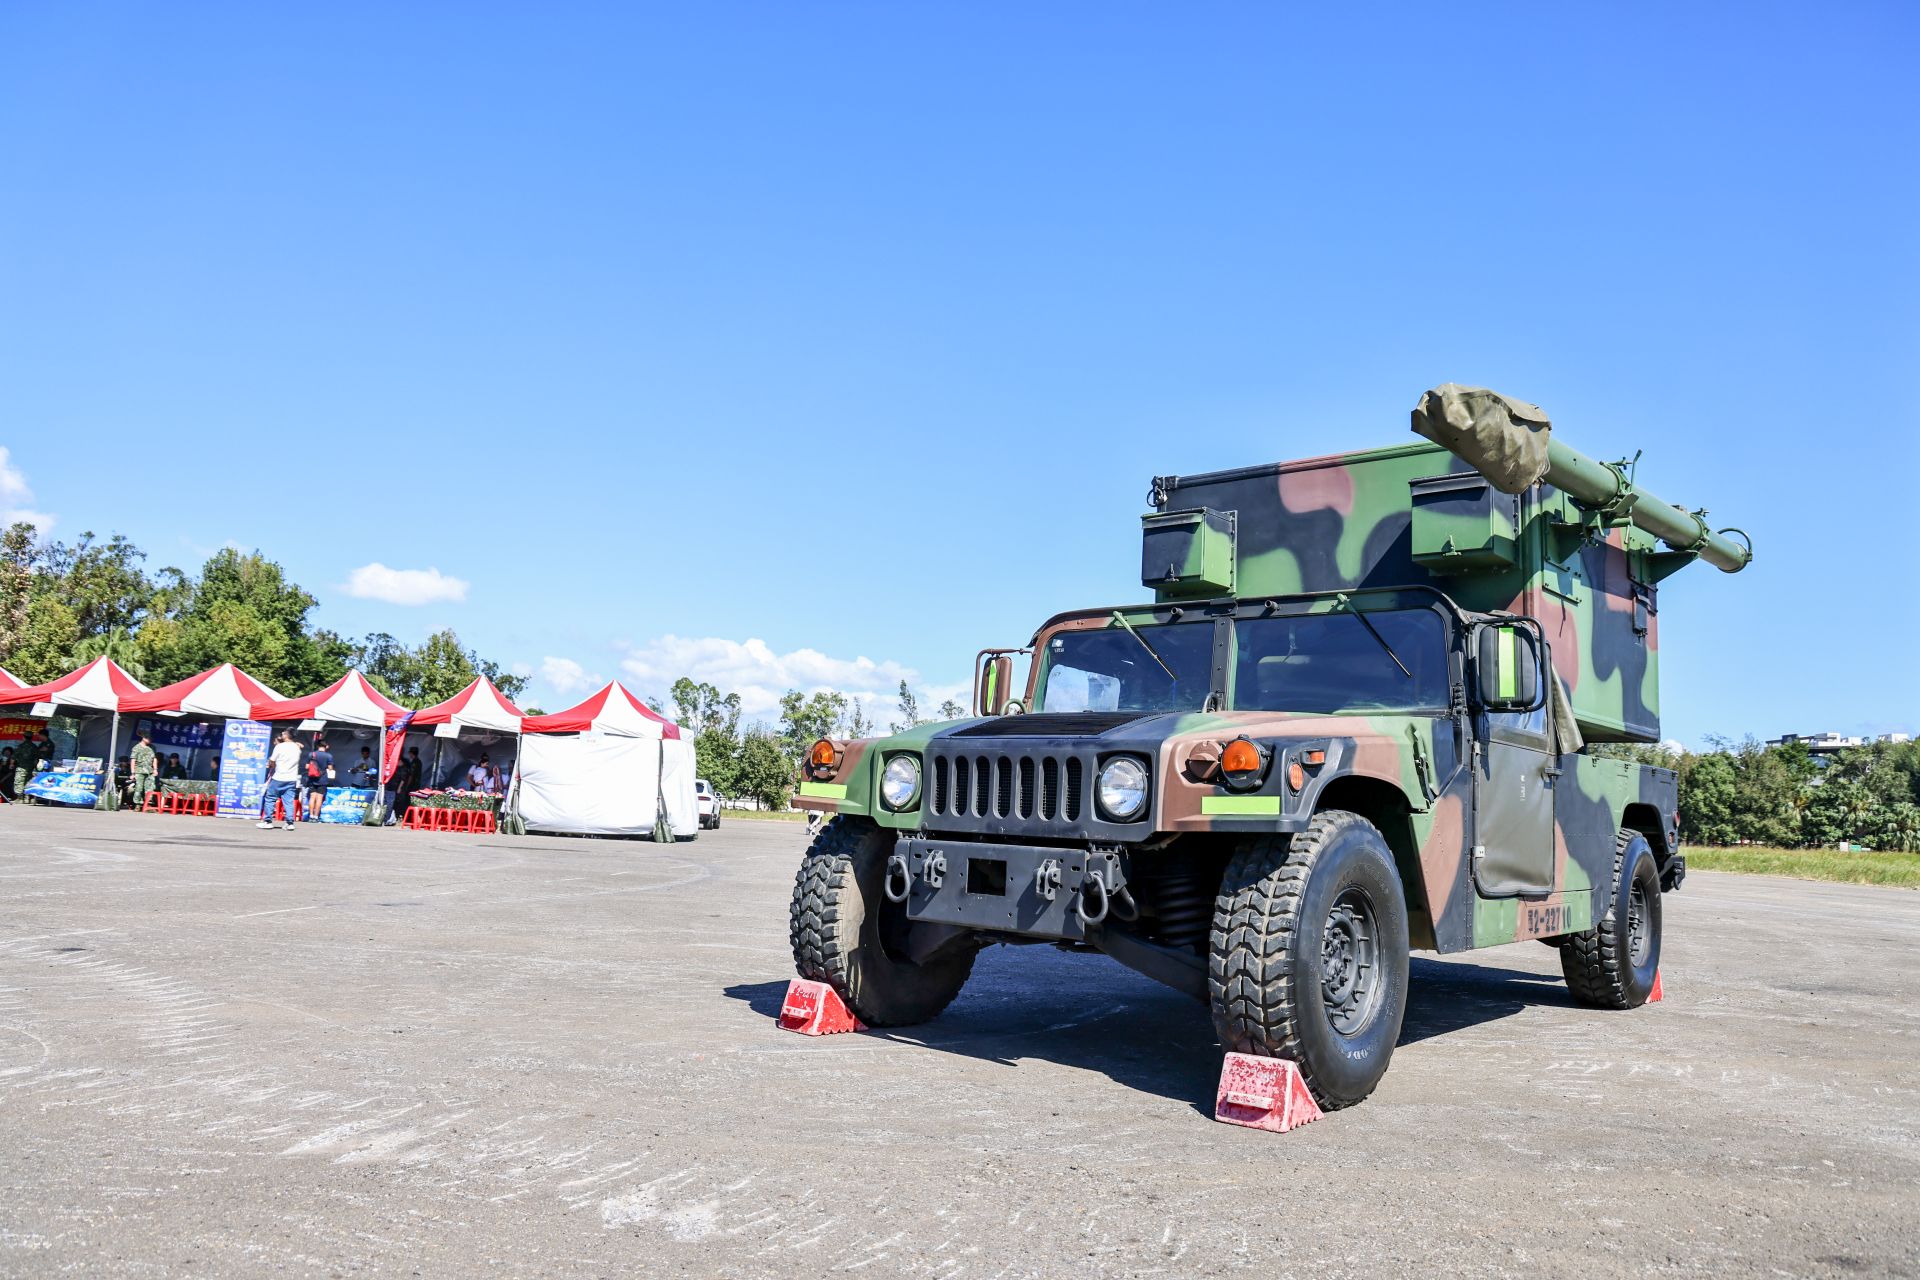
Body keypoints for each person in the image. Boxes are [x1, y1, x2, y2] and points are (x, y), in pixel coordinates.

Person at [258, 729, 304, 830]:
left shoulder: (279, 746)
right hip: (292, 778)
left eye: (284, 733)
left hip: (278, 777)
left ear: (287, 735)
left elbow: (272, 760)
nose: (282, 734)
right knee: (288, 801)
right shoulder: (297, 748)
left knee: (270, 799)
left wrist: (272, 765)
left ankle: (268, 821)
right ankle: (289, 823)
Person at [385, 744, 423, 825]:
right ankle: (405, 818)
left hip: (411, 786)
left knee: (404, 802)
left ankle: (404, 818)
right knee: (405, 802)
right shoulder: (415, 762)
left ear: (411, 753)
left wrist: (406, 786)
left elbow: (410, 776)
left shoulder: (414, 763)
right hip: (413, 785)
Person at [306, 738, 334, 822]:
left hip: (312, 778)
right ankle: (316, 817)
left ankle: (310, 816)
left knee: (312, 797)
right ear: (326, 746)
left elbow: (307, 767)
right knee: (319, 798)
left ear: (317, 746)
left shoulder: (311, 754)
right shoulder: (329, 756)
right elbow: (330, 768)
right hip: (322, 779)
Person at [130, 732, 159, 811]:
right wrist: (132, 773)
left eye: (150, 739)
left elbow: (154, 759)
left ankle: (148, 804)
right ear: (143, 738)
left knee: (150, 788)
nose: (150, 740)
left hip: (150, 771)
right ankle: (138, 804)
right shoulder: (136, 748)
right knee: (139, 789)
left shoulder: (152, 747)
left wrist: (155, 769)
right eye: (148, 738)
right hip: (139, 771)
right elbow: (133, 760)